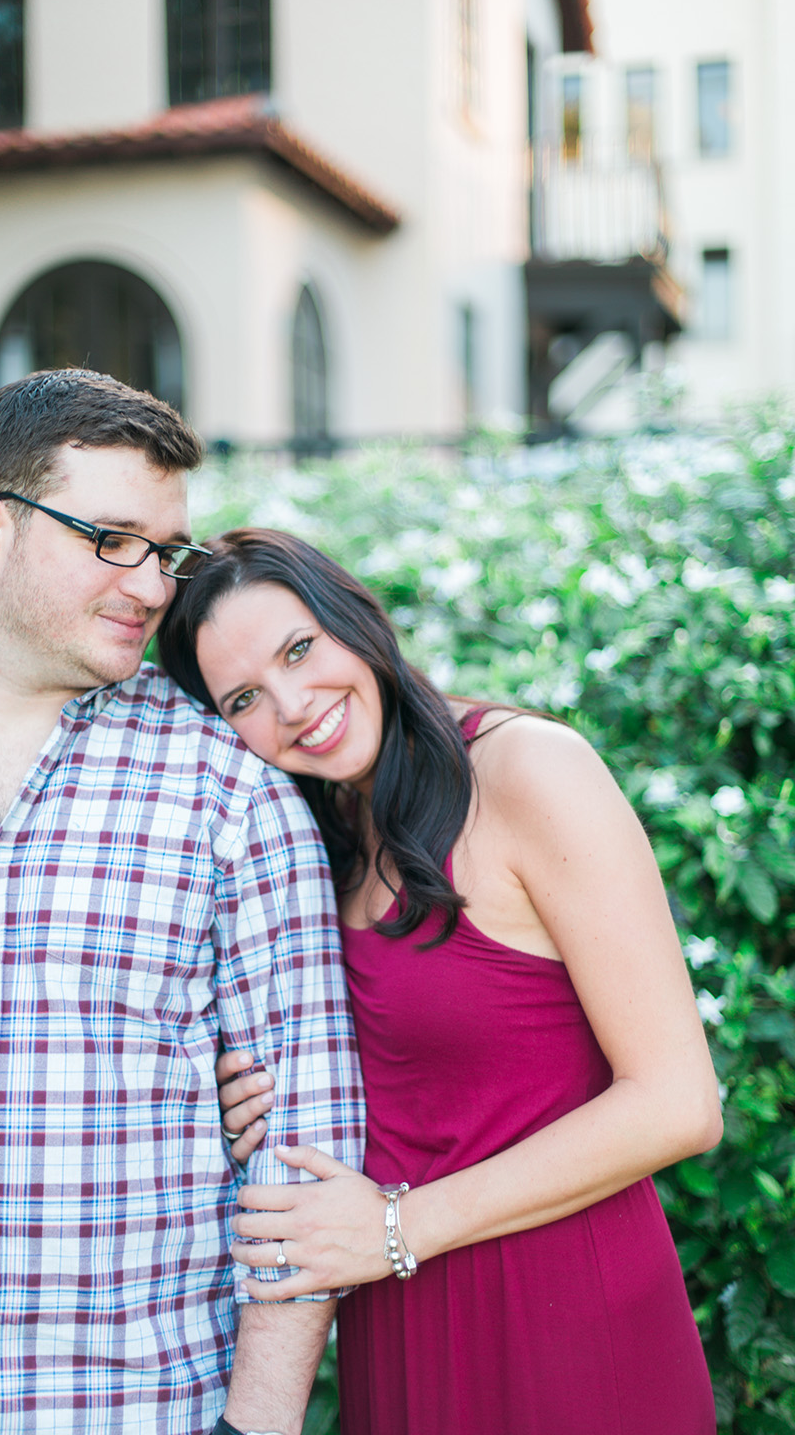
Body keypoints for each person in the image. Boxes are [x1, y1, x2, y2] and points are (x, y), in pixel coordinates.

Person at [0, 374, 364, 1435]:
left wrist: (253, 1428)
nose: (153, 583)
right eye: (111, 538)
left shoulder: (231, 793)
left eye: (163, 551)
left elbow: (306, 1149)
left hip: (140, 1407)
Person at [157, 527, 724, 1435]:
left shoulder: (528, 770)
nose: (295, 705)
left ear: (357, 620)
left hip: (566, 1320)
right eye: (245, 698)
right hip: (398, 1321)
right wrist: (234, 1095)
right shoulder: (320, 836)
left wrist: (394, 1231)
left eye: (300, 649)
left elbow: (679, 1102)